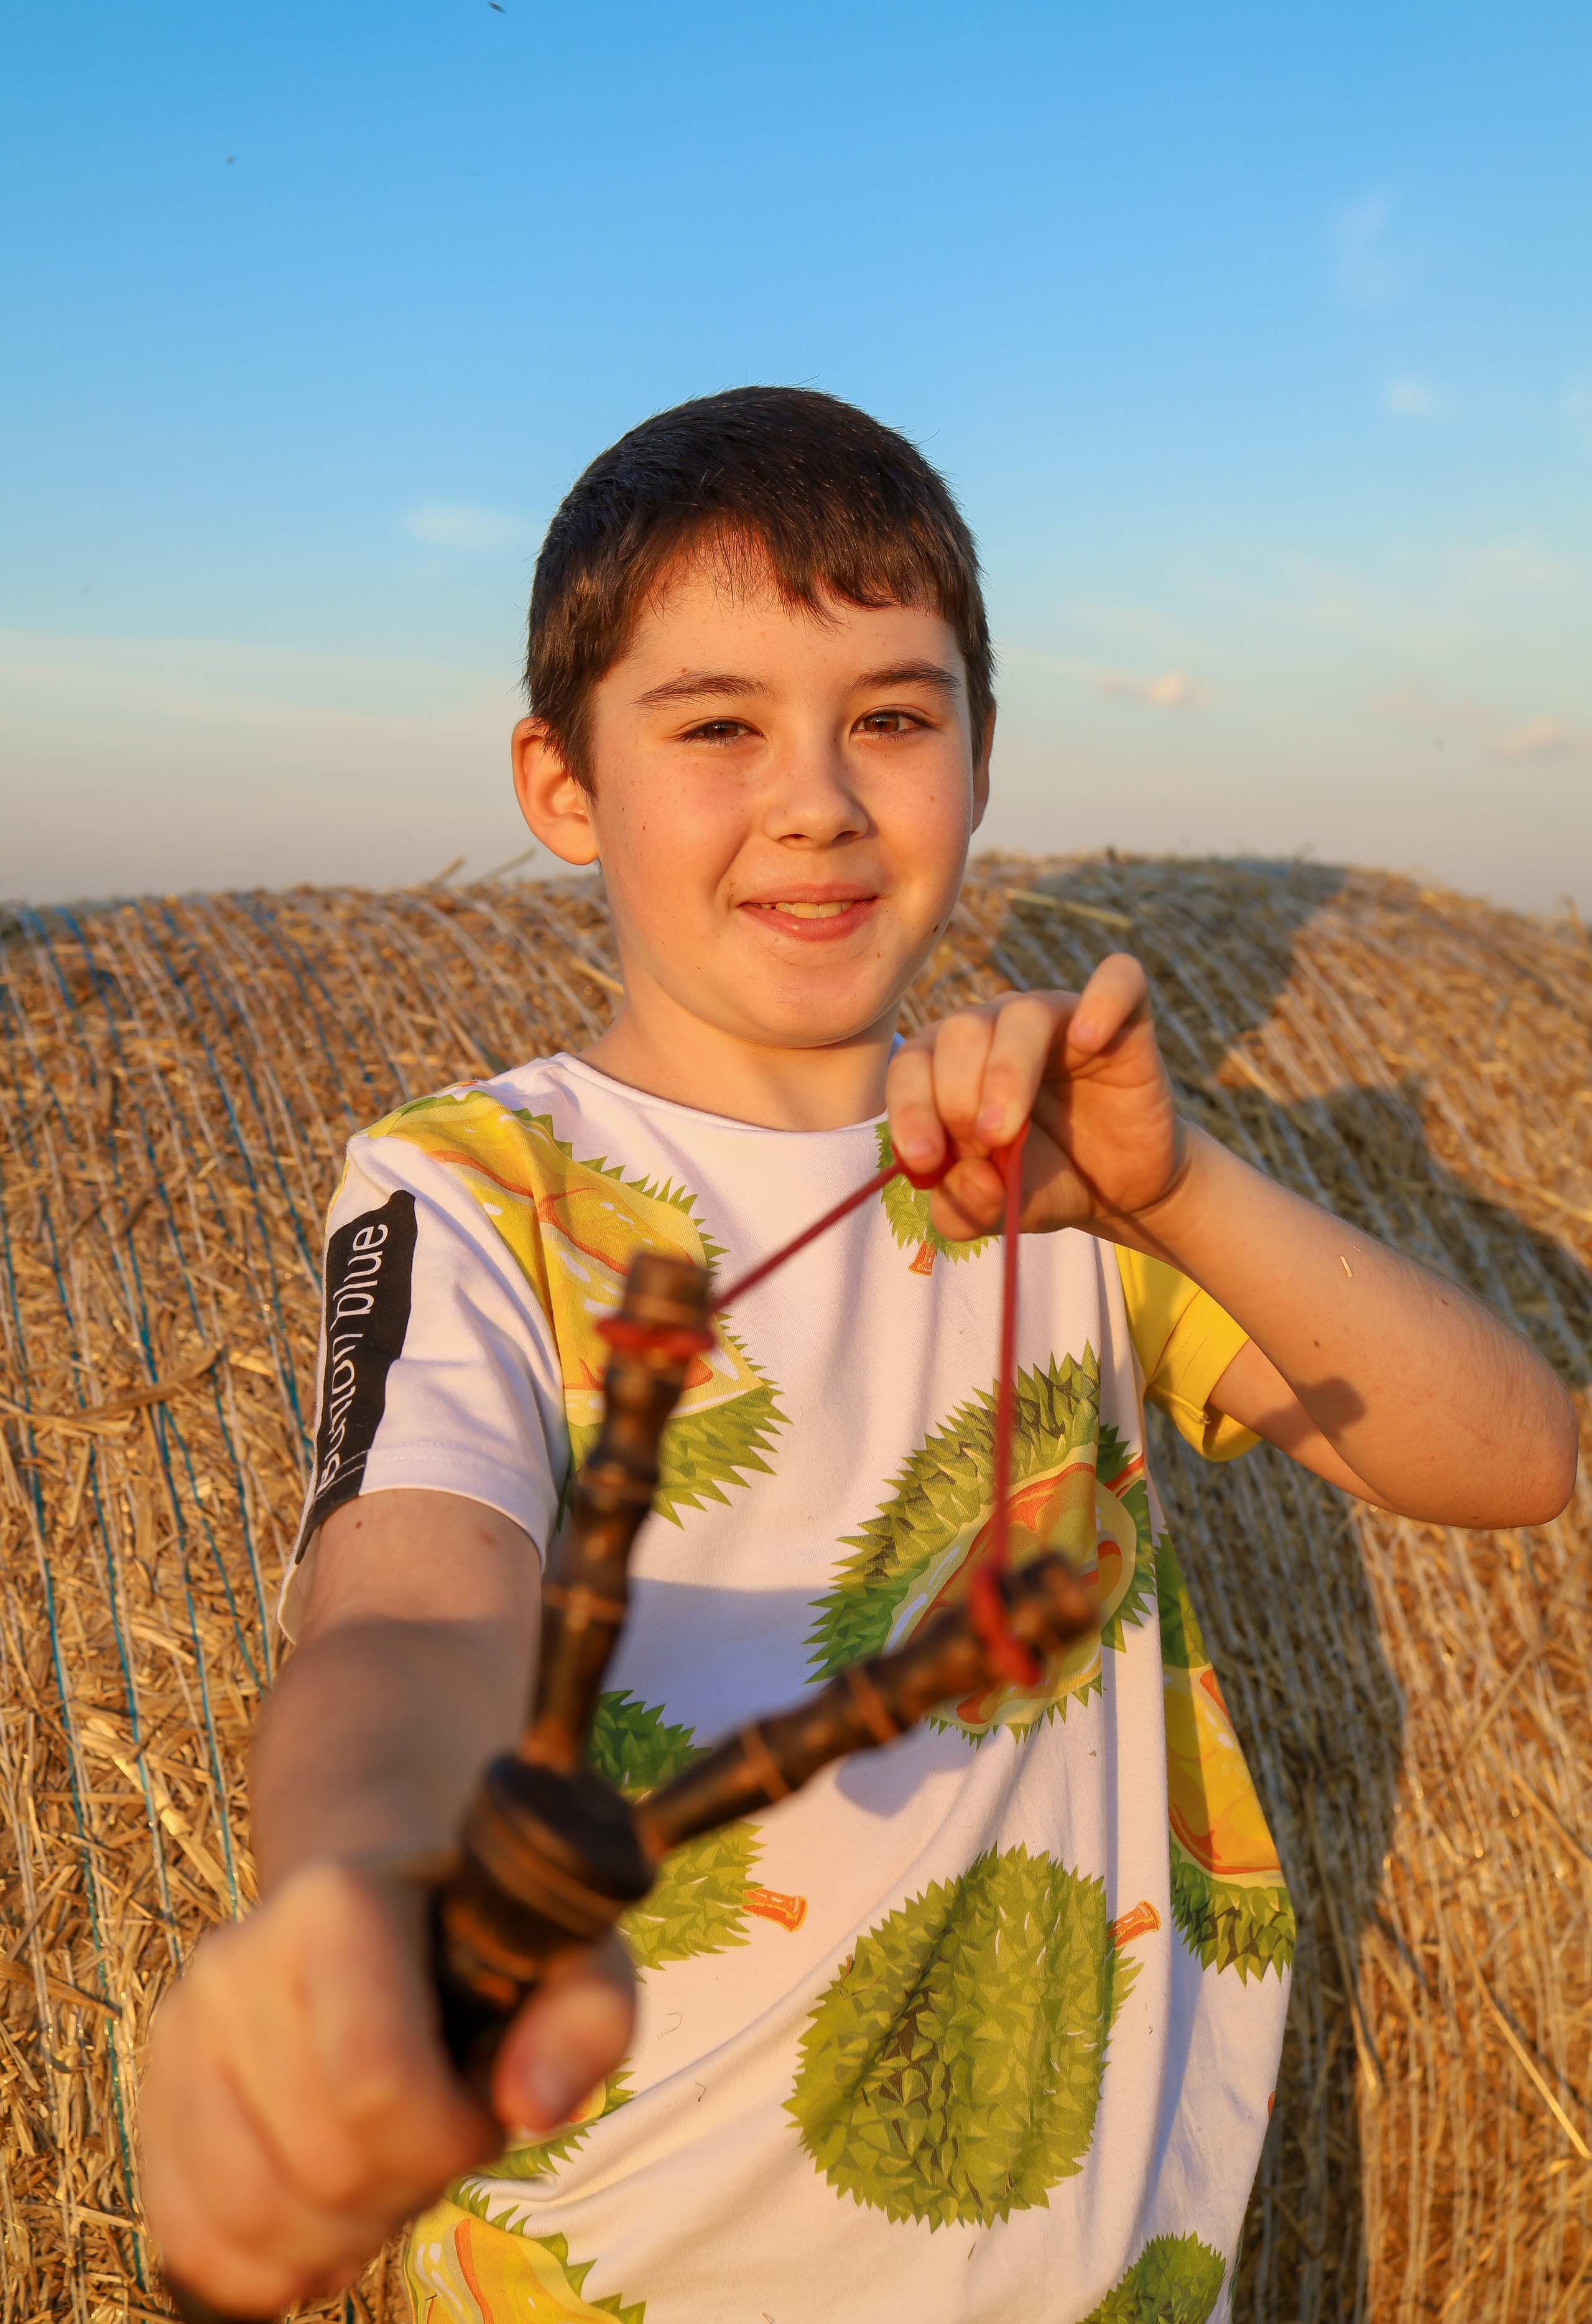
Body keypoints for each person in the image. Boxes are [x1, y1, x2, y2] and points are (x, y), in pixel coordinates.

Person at [139, 389, 1576, 2324]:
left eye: (892, 718)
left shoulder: (1049, 1177)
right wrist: (368, 1895)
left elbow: (1511, 1457)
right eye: (716, 726)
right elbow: (406, 1605)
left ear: (981, 757)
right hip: (623, 2265)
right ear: (561, 784)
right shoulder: (479, 1191)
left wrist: (1171, 1191)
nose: (816, 799)